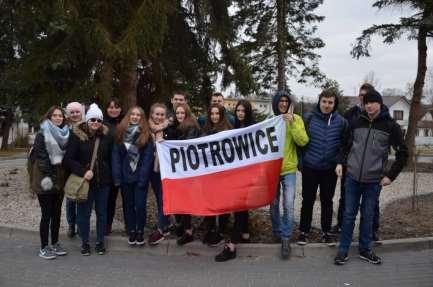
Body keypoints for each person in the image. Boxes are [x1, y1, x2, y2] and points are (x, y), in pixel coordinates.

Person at [334, 89, 408, 265]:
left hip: (374, 181)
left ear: (380, 103)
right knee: (348, 215)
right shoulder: (356, 122)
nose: (368, 105)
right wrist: (340, 163)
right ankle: (342, 251)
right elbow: (344, 144)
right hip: (352, 177)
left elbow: (403, 153)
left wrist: (391, 176)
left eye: (372, 102)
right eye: (366, 102)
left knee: (368, 216)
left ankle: (365, 250)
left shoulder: (390, 126)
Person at [331, 83, 383, 241]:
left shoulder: (382, 117)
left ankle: (372, 231)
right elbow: (344, 138)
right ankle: (341, 225)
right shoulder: (351, 113)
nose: (362, 98)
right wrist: (341, 160)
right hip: (351, 165)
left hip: (372, 169)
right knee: (345, 198)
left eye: (365, 95)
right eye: (360, 95)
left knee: (372, 203)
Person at [297, 89, 348, 246]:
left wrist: (340, 162)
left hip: (329, 169)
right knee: (308, 200)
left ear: (335, 104)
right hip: (310, 167)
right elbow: (300, 141)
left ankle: (326, 232)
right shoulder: (309, 118)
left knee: (327, 201)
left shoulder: (341, 122)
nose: (327, 105)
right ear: (319, 101)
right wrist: (301, 162)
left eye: (330, 102)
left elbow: (344, 146)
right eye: (324, 101)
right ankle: (304, 231)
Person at [64, 103, 113, 256]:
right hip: (85, 182)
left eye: (98, 120)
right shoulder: (77, 136)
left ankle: (100, 242)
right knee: (83, 214)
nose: (95, 123)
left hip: (103, 182)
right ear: (87, 120)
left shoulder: (106, 136)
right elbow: (68, 160)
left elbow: (110, 158)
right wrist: (83, 171)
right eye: (92, 120)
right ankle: (85, 242)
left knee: (101, 213)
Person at [269, 90, 309, 260]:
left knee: (288, 205)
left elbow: (303, 140)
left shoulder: (297, 119)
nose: (283, 103)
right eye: (281, 101)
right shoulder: (269, 121)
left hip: (289, 169)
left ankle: (286, 238)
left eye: (286, 101)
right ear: (276, 103)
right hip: (271, 170)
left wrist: (292, 123)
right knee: (273, 205)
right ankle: (277, 232)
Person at [215, 99, 255, 262]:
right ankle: (245, 234)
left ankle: (232, 246)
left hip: (248, 174)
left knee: (239, 207)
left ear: (248, 113)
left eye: (243, 111)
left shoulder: (253, 128)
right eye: (238, 110)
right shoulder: (234, 127)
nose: (240, 113)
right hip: (235, 174)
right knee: (241, 206)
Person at [31, 106, 70, 259]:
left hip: (59, 180)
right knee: (46, 214)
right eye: (55, 115)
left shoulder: (65, 134)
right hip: (45, 180)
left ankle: (55, 243)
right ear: (49, 117)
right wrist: (54, 179)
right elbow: (42, 160)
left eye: (60, 116)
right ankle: (44, 247)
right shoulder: (42, 134)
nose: (58, 118)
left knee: (57, 214)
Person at [112, 106, 153, 246]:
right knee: (128, 206)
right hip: (125, 177)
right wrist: (117, 176)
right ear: (128, 116)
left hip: (140, 177)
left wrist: (143, 178)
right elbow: (116, 156)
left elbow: (148, 159)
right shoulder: (120, 132)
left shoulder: (146, 135)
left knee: (140, 206)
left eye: (138, 115)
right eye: (132, 114)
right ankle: (132, 230)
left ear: (142, 118)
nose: (135, 117)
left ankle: (140, 230)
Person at [165, 103, 200, 245]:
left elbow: (186, 144)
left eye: (182, 113)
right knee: (180, 198)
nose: (180, 115)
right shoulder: (179, 127)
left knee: (186, 201)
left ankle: (188, 231)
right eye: (177, 113)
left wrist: (170, 143)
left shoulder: (191, 126)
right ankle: (182, 226)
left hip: (188, 171)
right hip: (181, 170)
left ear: (187, 114)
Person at [201, 104, 233, 247]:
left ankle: (220, 231)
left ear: (221, 115)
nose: (214, 116)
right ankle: (210, 229)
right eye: (212, 114)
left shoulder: (228, 131)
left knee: (222, 204)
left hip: (223, 175)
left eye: (217, 114)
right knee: (208, 202)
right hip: (208, 174)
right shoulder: (205, 131)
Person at [147, 103, 172, 245]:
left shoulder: (169, 129)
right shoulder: (146, 129)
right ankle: (166, 224)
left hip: (166, 170)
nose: (159, 117)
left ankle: (161, 229)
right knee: (159, 197)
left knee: (163, 198)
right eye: (157, 114)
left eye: (162, 114)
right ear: (152, 115)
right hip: (153, 169)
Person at [104, 97, 123, 235]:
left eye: (116, 107)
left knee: (121, 199)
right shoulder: (101, 123)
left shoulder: (124, 123)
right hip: (106, 167)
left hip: (123, 166)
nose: (113, 109)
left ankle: (129, 225)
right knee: (107, 198)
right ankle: (105, 224)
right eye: (111, 107)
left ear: (120, 109)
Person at [64, 102, 84, 238]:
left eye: (77, 111)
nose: (75, 114)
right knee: (70, 197)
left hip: (82, 166)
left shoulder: (86, 126)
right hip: (67, 166)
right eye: (72, 112)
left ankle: (81, 225)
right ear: (68, 114)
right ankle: (71, 224)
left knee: (81, 196)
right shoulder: (64, 128)